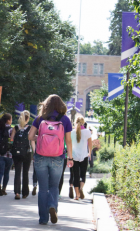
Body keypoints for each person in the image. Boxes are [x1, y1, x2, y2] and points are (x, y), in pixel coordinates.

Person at [28, 94, 73, 225]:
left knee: (43, 188)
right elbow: (68, 141)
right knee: (54, 186)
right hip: (58, 157)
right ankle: (52, 205)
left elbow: (30, 136)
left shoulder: (40, 118)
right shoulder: (65, 120)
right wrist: (70, 158)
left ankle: (43, 219)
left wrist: (41, 138)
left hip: (41, 156)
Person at [11, 110, 32, 200]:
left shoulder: (15, 128)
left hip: (17, 153)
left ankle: (17, 192)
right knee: (25, 172)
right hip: (27, 152)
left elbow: (11, 139)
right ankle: (25, 192)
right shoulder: (30, 129)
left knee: (17, 172)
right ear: (28, 119)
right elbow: (32, 142)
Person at [71, 117, 92, 200]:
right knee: (82, 175)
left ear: (75, 123)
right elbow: (90, 144)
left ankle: (77, 195)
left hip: (74, 156)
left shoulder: (72, 132)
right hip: (84, 156)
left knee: (75, 176)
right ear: (83, 123)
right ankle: (81, 188)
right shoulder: (87, 132)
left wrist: (69, 156)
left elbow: (69, 145)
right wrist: (89, 153)